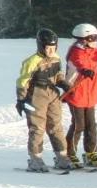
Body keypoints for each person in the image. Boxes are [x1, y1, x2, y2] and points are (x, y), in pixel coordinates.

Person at [15, 28, 73, 172]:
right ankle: (36, 159)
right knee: (38, 128)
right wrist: (21, 99)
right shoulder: (32, 61)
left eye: (53, 48)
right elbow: (23, 81)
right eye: (48, 48)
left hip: (52, 94)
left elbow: (58, 75)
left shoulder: (56, 58)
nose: (51, 51)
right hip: (36, 94)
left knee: (56, 126)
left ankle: (62, 157)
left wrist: (64, 84)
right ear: (41, 46)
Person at [62, 23, 97, 169]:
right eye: (94, 38)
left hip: (90, 95)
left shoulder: (93, 51)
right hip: (76, 94)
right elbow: (79, 62)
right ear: (84, 39)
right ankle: (70, 153)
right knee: (78, 125)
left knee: (91, 125)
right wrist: (85, 70)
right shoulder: (75, 52)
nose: (96, 40)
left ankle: (91, 152)